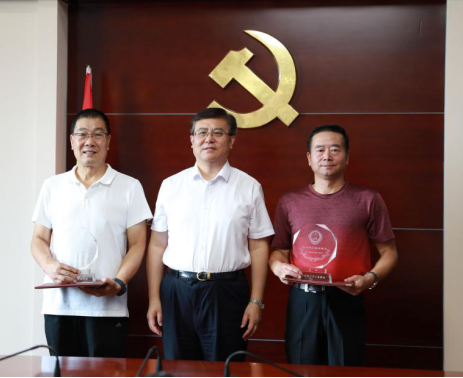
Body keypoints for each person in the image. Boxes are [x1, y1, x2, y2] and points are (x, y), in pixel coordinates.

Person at [146, 108, 274, 361]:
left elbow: (259, 246)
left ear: (231, 140)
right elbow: (157, 245)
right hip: (176, 292)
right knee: (178, 368)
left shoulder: (249, 187)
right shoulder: (171, 185)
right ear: (192, 139)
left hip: (226, 292)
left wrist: (256, 301)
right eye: (202, 132)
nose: (209, 139)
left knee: (224, 367)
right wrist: (154, 298)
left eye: (218, 133)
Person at [269, 124, 398, 366]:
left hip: (347, 297)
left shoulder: (368, 199)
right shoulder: (289, 201)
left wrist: (369, 279)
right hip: (303, 300)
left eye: (335, 149)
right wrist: (279, 268)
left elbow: (390, 253)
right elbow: (278, 252)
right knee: (301, 368)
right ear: (309, 158)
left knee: (346, 368)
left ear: (347, 157)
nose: (327, 156)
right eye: (319, 150)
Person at [31, 108, 153, 358]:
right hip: (59, 306)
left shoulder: (129, 186)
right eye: (83, 134)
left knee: (106, 373)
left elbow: (138, 244)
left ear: (108, 141)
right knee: (61, 372)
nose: (90, 141)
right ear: (72, 141)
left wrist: (119, 282)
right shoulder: (52, 186)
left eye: (98, 134)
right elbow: (38, 239)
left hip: (107, 308)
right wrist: (49, 266)